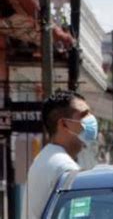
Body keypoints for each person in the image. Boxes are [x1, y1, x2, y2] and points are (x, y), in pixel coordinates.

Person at [22, 90, 98, 219]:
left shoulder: (47, 157)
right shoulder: (65, 169)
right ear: (64, 124)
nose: (91, 120)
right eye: (84, 115)